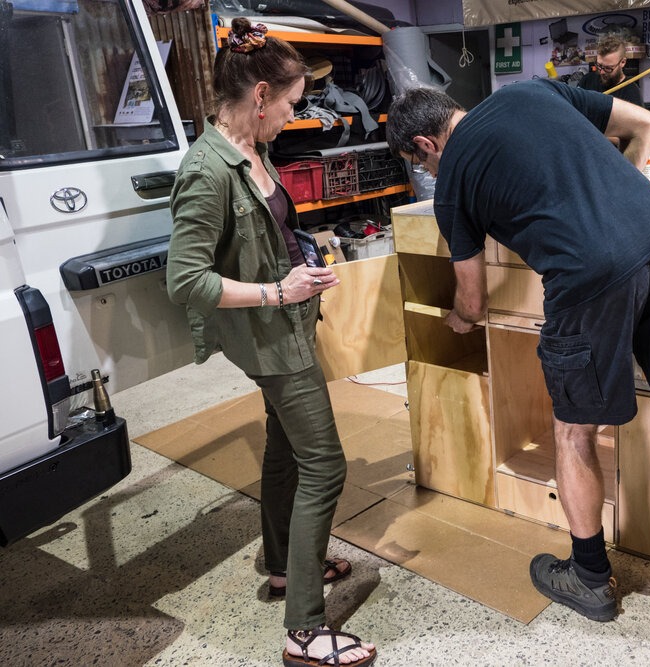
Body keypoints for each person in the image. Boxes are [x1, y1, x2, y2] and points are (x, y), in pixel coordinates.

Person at [386, 82, 650, 637]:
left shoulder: (454, 182)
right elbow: (647, 125)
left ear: (426, 143)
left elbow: (473, 298)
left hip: (591, 277)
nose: (429, 176)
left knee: (573, 432)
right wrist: (617, 205)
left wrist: (458, 322)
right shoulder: (532, 91)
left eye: (421, 164)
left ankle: (588, 578)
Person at [166, 18, 376, 667]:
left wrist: (300, 272)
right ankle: (305, 629)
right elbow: (185, 279)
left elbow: (270, 239)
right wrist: (278, 294)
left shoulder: (250, 151)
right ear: (260, 96)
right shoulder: (208, 170)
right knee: (326, 465)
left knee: (286, 447)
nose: (293, 115)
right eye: (288, 105)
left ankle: (286, 564)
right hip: (270, 337)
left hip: (284, 324)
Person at [577, 34, 642, 105]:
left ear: (622, 62)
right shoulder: (587, 80)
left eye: (608, 68)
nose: (601, 72)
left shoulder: (631, 92)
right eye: (599, 65)